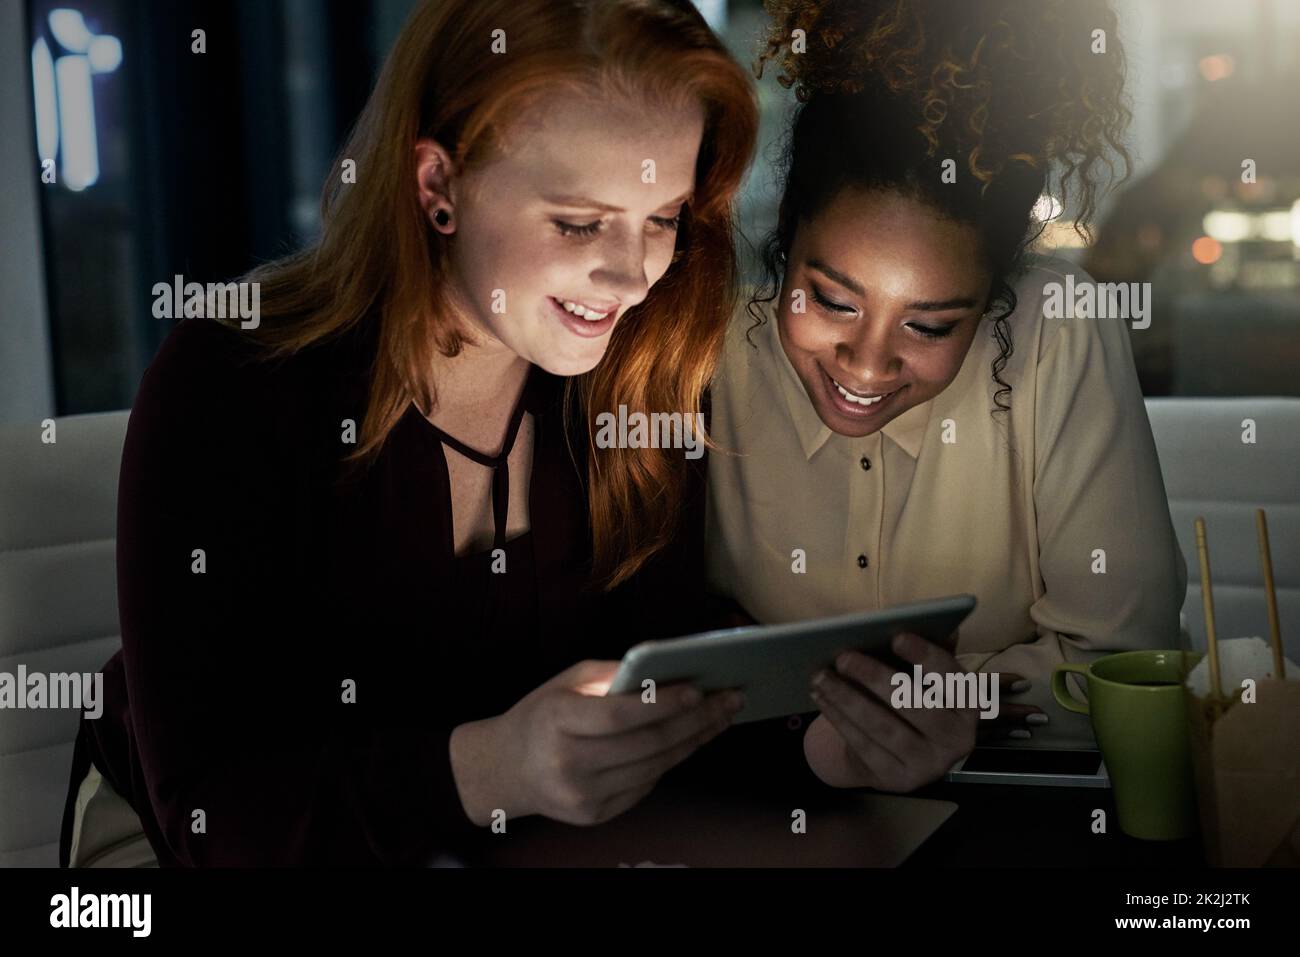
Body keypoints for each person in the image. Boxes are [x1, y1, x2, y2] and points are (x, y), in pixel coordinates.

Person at [60, 0, 759, 867]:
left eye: (662, 218)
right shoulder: (227, 386)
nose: (634, 275)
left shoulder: (636, 375)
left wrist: (826, 748)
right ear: (437, 188)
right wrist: (495, 769)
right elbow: (216, 815)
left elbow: (668, 686)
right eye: (579, 221)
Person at [704, 0, 1187, 792]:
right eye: (830, 302)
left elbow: (1122, 670)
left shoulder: (1061, 330)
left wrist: (945, 708)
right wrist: (973, 688)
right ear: (786, 241)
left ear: (995, 296)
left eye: (928, 326)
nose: (865, 367)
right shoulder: (713, 343)